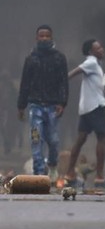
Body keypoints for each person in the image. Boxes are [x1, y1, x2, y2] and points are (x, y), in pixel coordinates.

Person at [17, 25, 69, 180]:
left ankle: (52, 164)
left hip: (53, 106)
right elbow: (24, 83)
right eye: (41, 36)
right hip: (35, 106)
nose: (44, 38)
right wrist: (21, 106)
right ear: (37, 38)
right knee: (36, 138)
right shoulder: (31, 58)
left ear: (52, 38)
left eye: (47, 36)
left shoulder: (59, 58)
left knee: (53, 140)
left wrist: (62, 102)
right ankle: (39, 172)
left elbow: (63, 82)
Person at [64, 39, 105, 190]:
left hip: (86, 108)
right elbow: (74, 73)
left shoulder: (96, 65)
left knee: (80, 139)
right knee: (101, 138)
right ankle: (99, 176)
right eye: (98, 48)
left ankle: (69, 173)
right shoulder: (91, 62)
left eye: (101, 46)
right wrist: (61, 79)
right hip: (96, 107)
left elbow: (97, 84)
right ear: (90, 51)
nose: (102, 49)